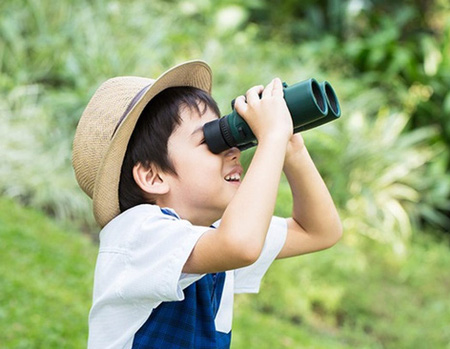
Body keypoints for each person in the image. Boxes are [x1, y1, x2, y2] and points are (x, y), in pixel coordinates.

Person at [71, 60, 342, 348]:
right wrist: (271, 138)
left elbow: (319, 231)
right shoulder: (137, 234)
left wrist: (291, 148)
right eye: (211, 140)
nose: (234, 149)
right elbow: (240, 244)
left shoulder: (214, 233)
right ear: (152, 175)